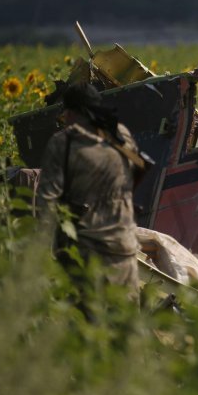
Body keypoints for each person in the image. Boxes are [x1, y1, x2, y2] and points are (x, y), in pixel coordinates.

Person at [36, 82, 144, 304]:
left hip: (86, 253)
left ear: (72, 112)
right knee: (127, 331)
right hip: (124, 250)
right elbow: (137, 172)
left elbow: (45, 204)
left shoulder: (63, 143)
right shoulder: (120, 134)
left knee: (86, 329)